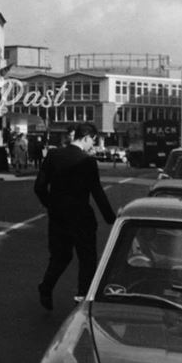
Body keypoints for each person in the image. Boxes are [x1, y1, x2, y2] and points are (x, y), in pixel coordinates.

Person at [33, 122, 115, 310]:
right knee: (87, 258)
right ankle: (81, 298)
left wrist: (52, 205)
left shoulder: (53, 156)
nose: (92, 146)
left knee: (60, 256)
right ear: (86, 137)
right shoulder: (87, 161)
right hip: (81, 218)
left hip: (58, 217)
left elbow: (39, 187)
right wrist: (110, 217)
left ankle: (46, 286)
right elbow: (97, 192)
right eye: (92, 142)